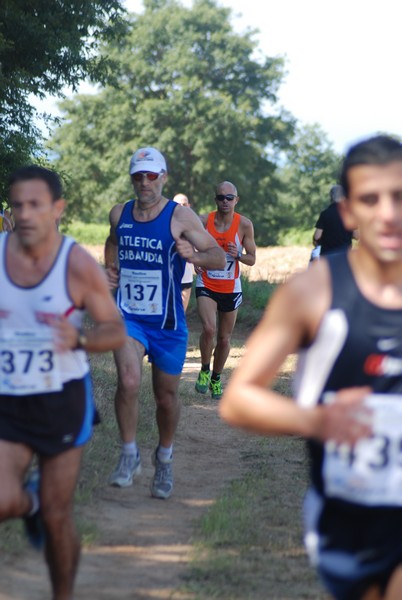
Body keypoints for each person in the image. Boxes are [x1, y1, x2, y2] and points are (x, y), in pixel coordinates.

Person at [219, 135, 402, 600]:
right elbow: (239, 399)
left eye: (399, 196)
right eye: (369, 199)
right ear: (347, 214)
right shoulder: (315, 292)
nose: (387, 213)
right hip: (348, 514)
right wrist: (316, 419)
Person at [0, 166, 126, 600]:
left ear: (58, 209)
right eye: (18, 205)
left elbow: (115, 330)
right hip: (8, 402)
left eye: (36, 205)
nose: (26, 214)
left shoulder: (77, 265)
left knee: (58, 518)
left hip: (61, 402)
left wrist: (81, 338)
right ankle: (28, 502)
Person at [104, 147, 225, 498]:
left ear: (164, 178)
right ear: (132, 179)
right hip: (129, 317)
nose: (145, 183)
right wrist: (112, 268)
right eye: (138, 176)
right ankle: (128, 455)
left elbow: (218, 256)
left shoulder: (181, 218)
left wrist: (195, 255)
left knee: (165, 397)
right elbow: (113, 242)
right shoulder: (120, 213)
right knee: (127, 380)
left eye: (152, 176)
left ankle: (165, 457)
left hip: (168, 323)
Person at [194, 181, 256, 400]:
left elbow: (252, 259)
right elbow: (187, 239)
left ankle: (217, 378)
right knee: (209, 329)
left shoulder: (244, 225)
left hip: (230, 287)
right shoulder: (203, 221)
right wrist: (196, 258)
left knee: (223, 338)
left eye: (230, 198)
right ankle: (204, 370)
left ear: (236, 200)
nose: (225, 202)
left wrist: (238, 254)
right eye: (221, 197)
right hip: (207, 283)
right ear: (216, 200)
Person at [312, 184, 359, 258]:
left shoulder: (325, 213)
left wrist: (315, 241)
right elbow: (356, 236)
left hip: (327, 257)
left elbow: (317, 236)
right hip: (345, 256)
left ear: (331, 197)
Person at [173, 193, 194, 311]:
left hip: (186, 277)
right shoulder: (165, 224)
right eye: (177, 204)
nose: (181, 206)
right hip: (167, 277)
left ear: (189, 206)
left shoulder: (195, 225)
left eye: (184, 204)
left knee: (181, 314)